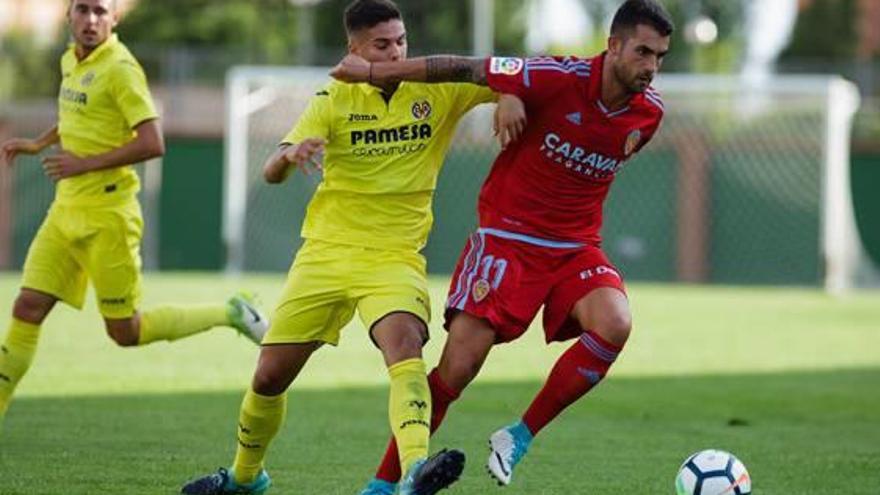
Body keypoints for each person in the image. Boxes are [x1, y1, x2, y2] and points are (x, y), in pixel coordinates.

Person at [331, 0, 673, 492]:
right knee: (458, 369)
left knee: (615, 322)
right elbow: (469, 68)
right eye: (643, 52)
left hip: (575, 247)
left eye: (660, 56)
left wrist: (514, 94)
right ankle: (385, 484)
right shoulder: (556, 76)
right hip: (509, 239)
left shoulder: (649, 114)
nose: (651, 67)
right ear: (613, 45)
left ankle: (519, 436)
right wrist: (373, 70)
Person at [178, 1, 515, 494]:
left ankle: (416, 471)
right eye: (382, 44)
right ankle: (246, 479)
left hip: (394, 255)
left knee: (405, 344)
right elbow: (271, 172)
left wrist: (508, 96)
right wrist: (289, 156)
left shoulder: (438, 88)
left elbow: (509, 72)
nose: (396, 51)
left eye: (401, 41)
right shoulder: (332, 98)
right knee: (269, 377)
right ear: (353, 49)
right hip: (326, 252)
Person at [0, 0, 268, 427]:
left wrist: (83, 164)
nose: (91, 20)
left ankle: (230, 313)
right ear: (69, 15)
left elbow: (153, 142)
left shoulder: (122, 68)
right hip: (66, 209)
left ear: (114, 18)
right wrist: (38, 143)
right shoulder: (71, 59)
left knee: (125, 332)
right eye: (83, 10)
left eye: (101, 12)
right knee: (28, 306)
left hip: (109, 215)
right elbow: (79, 114)